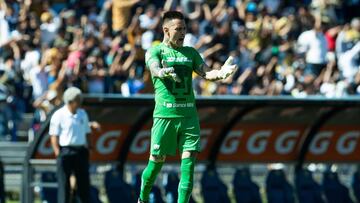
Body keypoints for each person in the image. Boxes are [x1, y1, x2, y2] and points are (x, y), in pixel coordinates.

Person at [138, 11, 237, 203]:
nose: (183, 32)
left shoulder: (191, 52)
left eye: (184, 28)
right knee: (156, 163)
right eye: (178, 29)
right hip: (165, 116)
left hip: (189, 116)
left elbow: (206, 73)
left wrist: (221, 73)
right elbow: (153, 67)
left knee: (189, 164)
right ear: (166, 30)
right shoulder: (156, 50)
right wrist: (161, 71)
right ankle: (142, 199)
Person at [49, 87, 92, 203]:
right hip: (65, 151)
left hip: (80, 151)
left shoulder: (83, 114)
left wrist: (89, 147)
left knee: (84, 184)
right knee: (64, 185)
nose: (80, 103)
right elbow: (54, 135)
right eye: (78, 100)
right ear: (71, 101)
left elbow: (87, 132)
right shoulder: (59, 115)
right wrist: (58, 152)